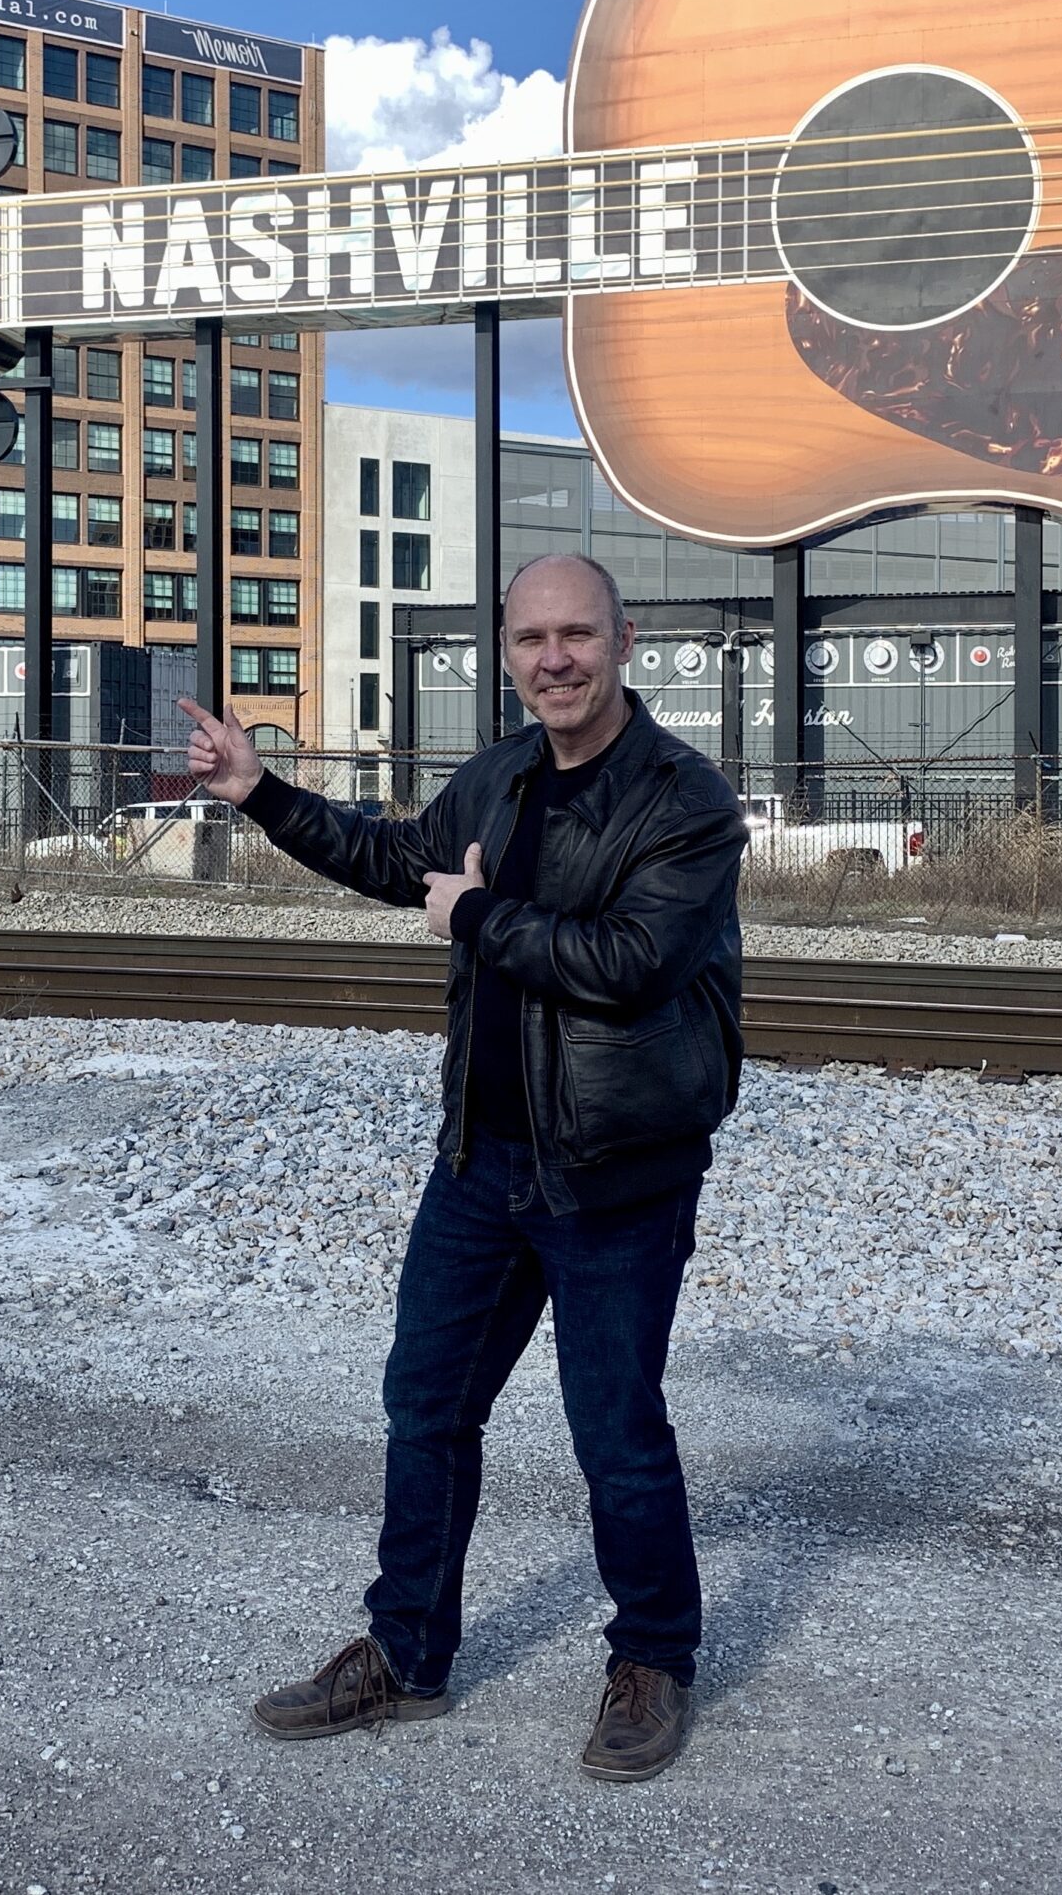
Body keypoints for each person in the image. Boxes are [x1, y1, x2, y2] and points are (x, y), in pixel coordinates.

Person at [176, 553, 747, 1784]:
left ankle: (652, 1657)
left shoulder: (683, 800)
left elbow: (628, 962)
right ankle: (405, 1655)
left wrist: (476, 917)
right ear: (505, 651)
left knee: (617, 1437)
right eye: (533, 637)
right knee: (427, 1409)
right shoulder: (496, 776)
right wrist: (263, 792)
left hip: (616, 1178)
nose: (556, 658)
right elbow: (400, 865)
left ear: (624, 640)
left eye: (578, 635)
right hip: (481, 1166)